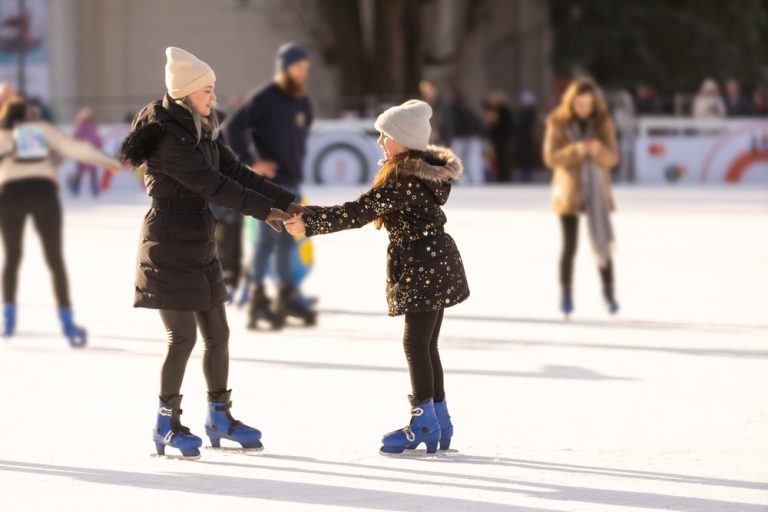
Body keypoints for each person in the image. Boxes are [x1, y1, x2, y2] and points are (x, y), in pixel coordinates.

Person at [119, 47, 304, 459]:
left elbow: (234, 172)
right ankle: (165, 424)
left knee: (218, 335)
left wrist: (288, 202)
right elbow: (212, 185)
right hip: (167, 243)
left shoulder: (202, 127)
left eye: (214, 88)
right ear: (185, 94)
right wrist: (265, 212)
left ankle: (219, 418)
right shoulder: (169, 138)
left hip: (199, 240)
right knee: (181, 338)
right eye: (206, 90)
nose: (213, 97)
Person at [285, 100, 470, 455]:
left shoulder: (404, 177)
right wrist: (306, 214)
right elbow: (361, 208)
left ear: (404, 139)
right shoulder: (419, 173)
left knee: (416, 344)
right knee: (426, 344)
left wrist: (308, 223)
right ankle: (439, 421)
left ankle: (424, 423)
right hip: (436, 261)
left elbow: (358, 212)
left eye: (386, 135)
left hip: (422, 265)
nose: (380, 141)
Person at [0, 99, 120, 345]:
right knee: (54, 259)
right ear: (30, 117)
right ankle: (67, 322)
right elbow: (76, 148)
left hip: (10, 195)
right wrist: (109, 162)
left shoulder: (3, 135)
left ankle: (8, 320)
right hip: (43, 192)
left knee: (12, 257)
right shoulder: (43, 130)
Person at [223, 43, 315, 329]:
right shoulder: (264, 98)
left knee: (289, 241)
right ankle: (257, 301)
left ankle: (285, 297)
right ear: (284, 67)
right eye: (298, 68)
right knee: (266, 242)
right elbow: (231, 128)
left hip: (292, 183)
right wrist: (252, 161)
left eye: (305, 69)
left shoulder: (301, 101)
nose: (302, 73)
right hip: (269, 185)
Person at [542, 78, 620, 318]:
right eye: (579, 104)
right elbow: (551, 157)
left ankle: (609, 291)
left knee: (601, 240)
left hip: (596, 190)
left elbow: (612, 158)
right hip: (569, 190)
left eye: (588, 104)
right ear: (571, 102)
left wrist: (598, 151)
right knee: (570, 245)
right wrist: (576, 150)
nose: (584, 109)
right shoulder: (558, 121)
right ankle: (566, 293)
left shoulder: (602, 122)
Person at [69, 107, 104, 197]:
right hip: (91, 154)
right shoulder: (93, 127)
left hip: (82, 154)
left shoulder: (79, 128)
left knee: (80, 171)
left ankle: (76, 189)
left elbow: (74, 139)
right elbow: (98, 140)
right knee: (93, 172)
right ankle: (94, 189)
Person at [482, 90, 514, 182]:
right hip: (495, 137)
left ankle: (505, 176)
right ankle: (499, 175)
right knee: (495, 157)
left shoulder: (504, 110)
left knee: (503, 156)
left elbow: (507, 125)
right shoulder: (491, 108)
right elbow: (484, 104)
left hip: (503, 137)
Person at [420, 79, 454, 146]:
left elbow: (447, 125)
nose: (427, 92)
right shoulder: (422, 105)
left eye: (429, 89)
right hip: (427, 141)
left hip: (442, 141)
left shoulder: (443, 105)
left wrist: (439, 134)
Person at [515, 90, 539, 182]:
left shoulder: (529, 113)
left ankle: (526, 176)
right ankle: (524, 175)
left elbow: (522, 125)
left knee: (526, 158)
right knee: (524, 158)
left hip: (526, 139)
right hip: (524, 138)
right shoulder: (525, 112)